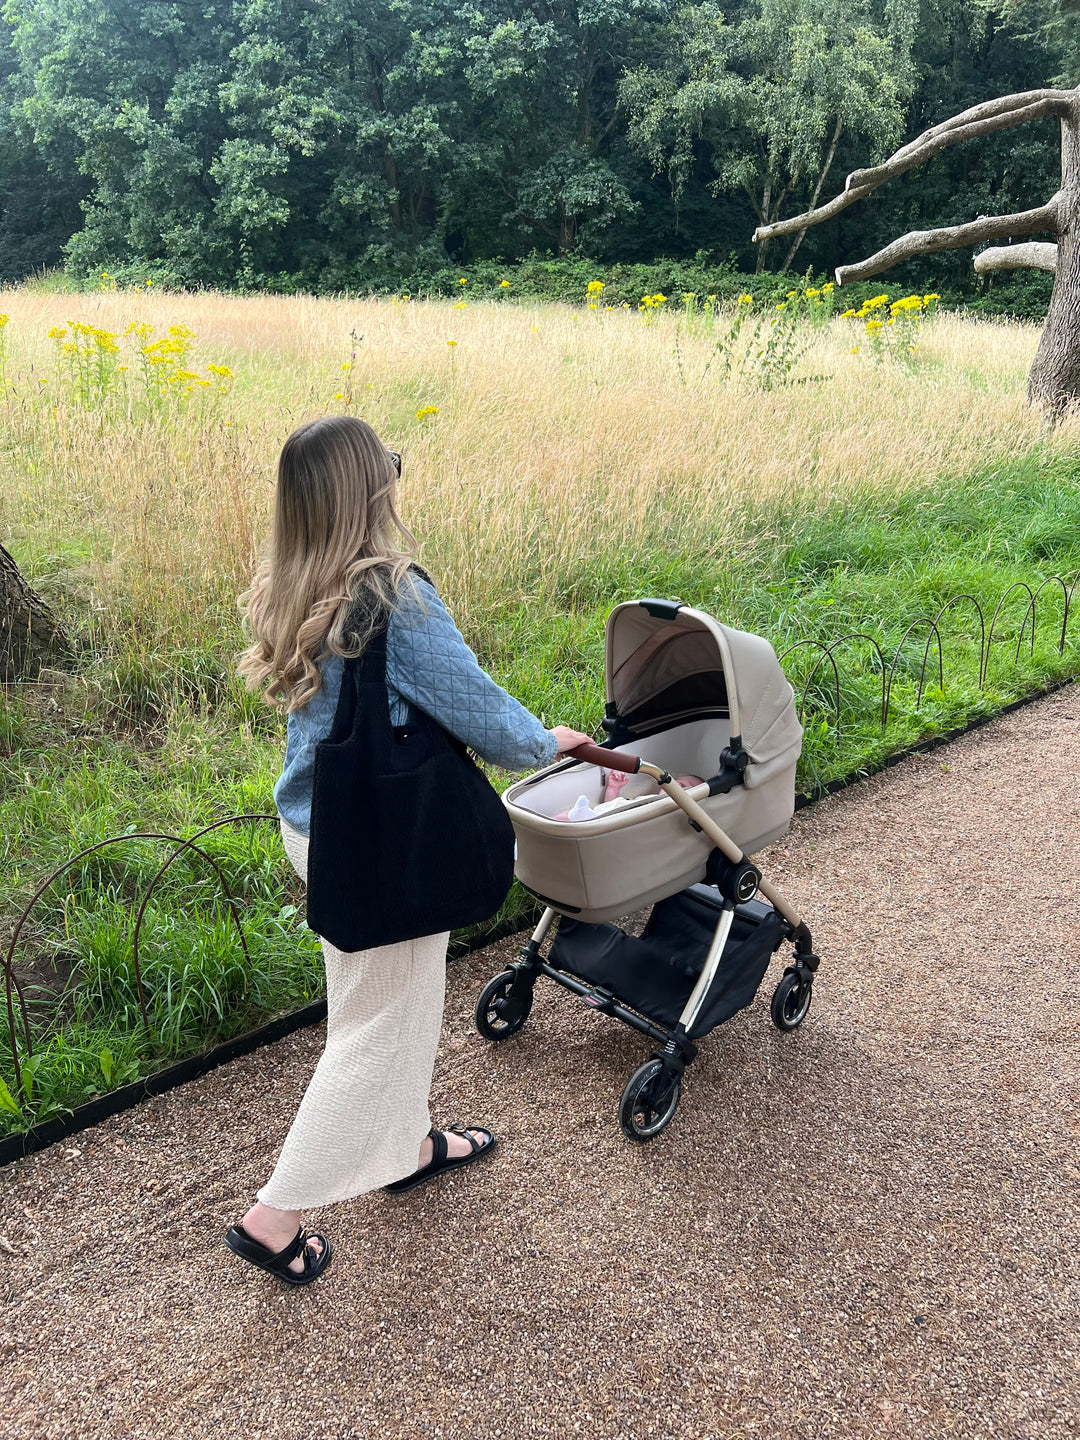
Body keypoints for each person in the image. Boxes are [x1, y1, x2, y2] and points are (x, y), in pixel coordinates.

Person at [224, 415, 590, 1286]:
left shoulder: (295, 584)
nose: (398, 472)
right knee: (376, 1031)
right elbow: (482, 712)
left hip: (320, 828)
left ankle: (407, 1146)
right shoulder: (391, 594)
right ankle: (272, 1220)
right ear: (369, 488)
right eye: (389, 461)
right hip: (385, 837)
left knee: (382, 1007)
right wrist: (550, 742)